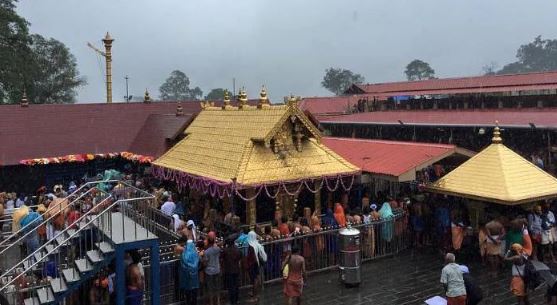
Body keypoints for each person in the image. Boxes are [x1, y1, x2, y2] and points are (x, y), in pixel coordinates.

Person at [246, 231, 267, 302]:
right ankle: (256, 294)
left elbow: (252, 257)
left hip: (252, 264)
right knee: (256, 279)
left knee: (254, 280)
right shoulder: (256, 244)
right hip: (256, 264)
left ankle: (255, 297)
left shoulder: (251, 246)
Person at [180, 236, 200, 305]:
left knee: (188, 293)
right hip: (195, 277)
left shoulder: (184, 254)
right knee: (194, 293)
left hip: (187, 277)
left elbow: (183, 264)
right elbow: (197, 261)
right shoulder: (195, 254)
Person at [203, 232, 221, 305]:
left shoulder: (206, 252)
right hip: (217, 269)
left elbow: (205, 263)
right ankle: (218, 301)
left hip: (209, 271)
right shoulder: (217, 249)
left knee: (210, 288)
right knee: (217, 287)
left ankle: (211, 302)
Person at [223, 237, 241, 305]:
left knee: (231, 287)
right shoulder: (237, 250)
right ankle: (236, 300)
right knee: (236, 286)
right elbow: (240, 257)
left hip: (229, 271)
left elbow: (222, 257)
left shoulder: (225, 250)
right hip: (236, 270)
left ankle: (232, 301)